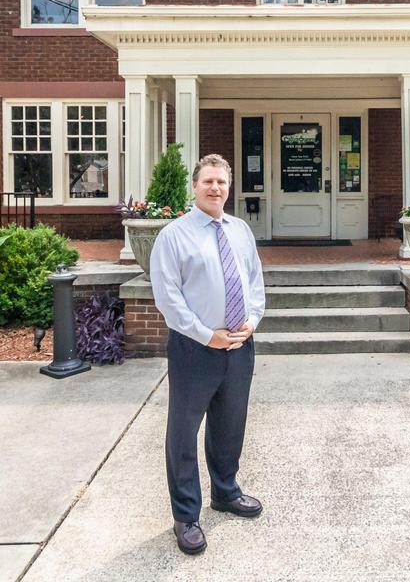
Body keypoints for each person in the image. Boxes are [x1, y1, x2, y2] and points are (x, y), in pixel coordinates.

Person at [148, 153, 266, 556]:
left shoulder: (241, 231)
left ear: (228, 188)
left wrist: (252, 320)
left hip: (239, 346)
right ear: (194, 186)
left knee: (230, 424)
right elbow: (168, 298)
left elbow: (254, 283)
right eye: (208, 181)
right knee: (184, 432)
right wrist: (205, 335)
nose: (215, 188)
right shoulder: (174, 236)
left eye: (221, 182)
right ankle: (185, 515)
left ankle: (225, 492)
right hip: (194, 349)